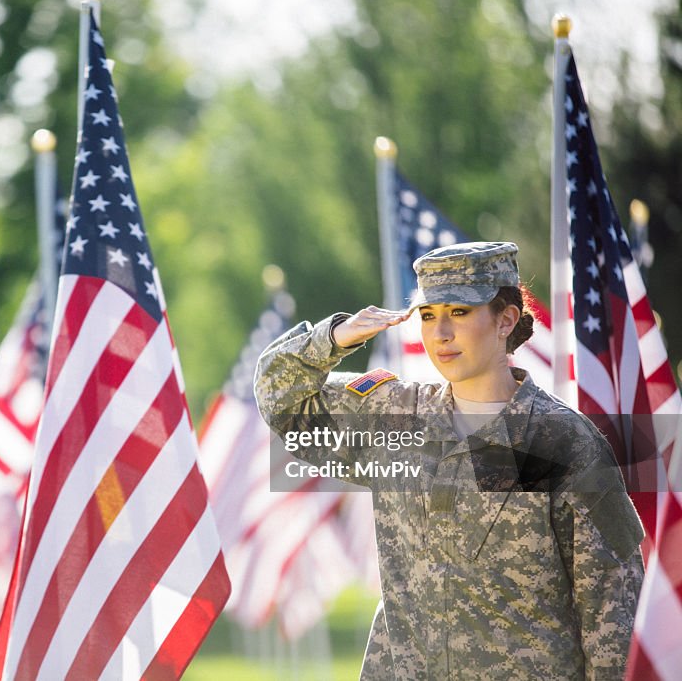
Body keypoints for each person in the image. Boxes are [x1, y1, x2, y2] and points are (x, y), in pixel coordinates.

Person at [254, 241, 643, 680]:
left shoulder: (565, 440)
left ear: (506, 320)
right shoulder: (394, 416)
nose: (440, 333)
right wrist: (333, 338)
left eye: (458, 312)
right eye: (427, 315)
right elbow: (281, 398)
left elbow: (613, 604)